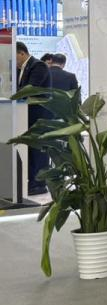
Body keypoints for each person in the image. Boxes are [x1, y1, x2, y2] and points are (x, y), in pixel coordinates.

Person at [15, 42, 51, 193]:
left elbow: (29, 89)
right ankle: (31, 182)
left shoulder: (38, 66)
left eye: (14, 56)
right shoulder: (20, 69)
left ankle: (40, 184)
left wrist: (12, 95)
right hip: (26, 116)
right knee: (30, 149)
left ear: (21, 53)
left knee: (38, 150)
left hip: (39, 116)